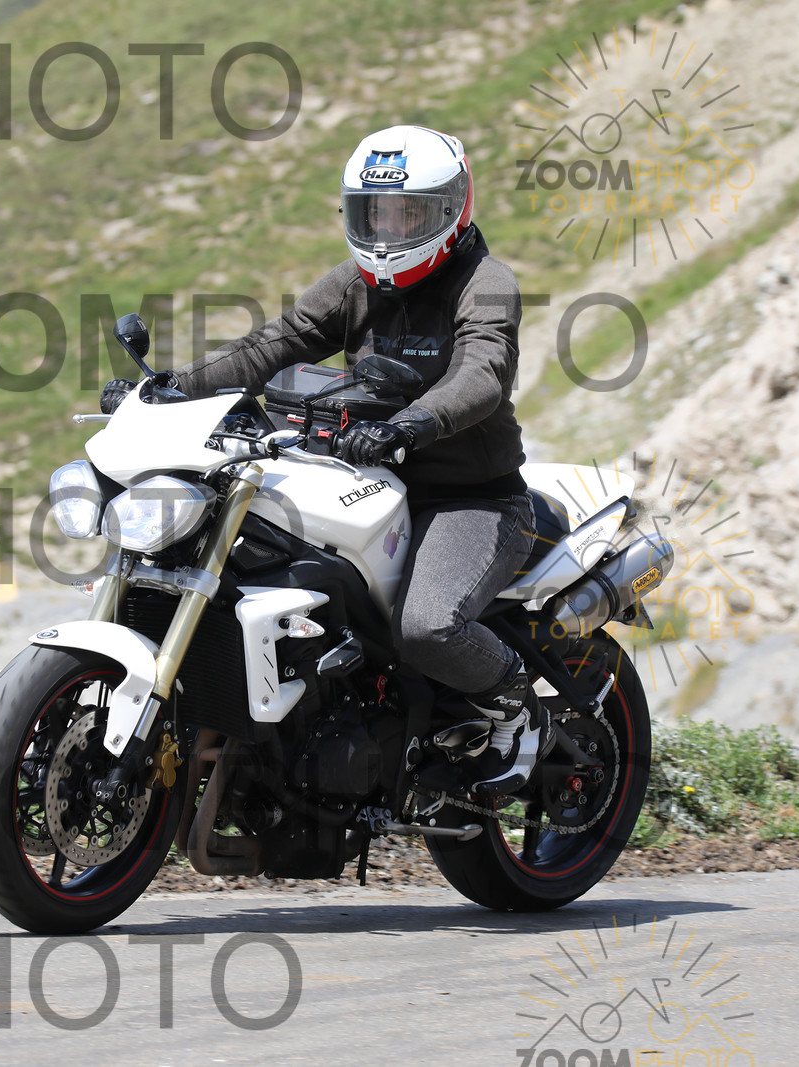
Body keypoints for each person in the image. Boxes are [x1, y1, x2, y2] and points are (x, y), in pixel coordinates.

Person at [100, 125, 542, 793]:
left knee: (425, 627)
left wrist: (410, 425)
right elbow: (275, 343)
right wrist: (168, 388)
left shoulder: (486, 283)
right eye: (374, 214)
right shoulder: (354, 284)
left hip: (468, 497)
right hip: (361, 480)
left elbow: (482, 373)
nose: (388, 231)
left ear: (452, 210)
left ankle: (518, 710)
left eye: (408, 214)